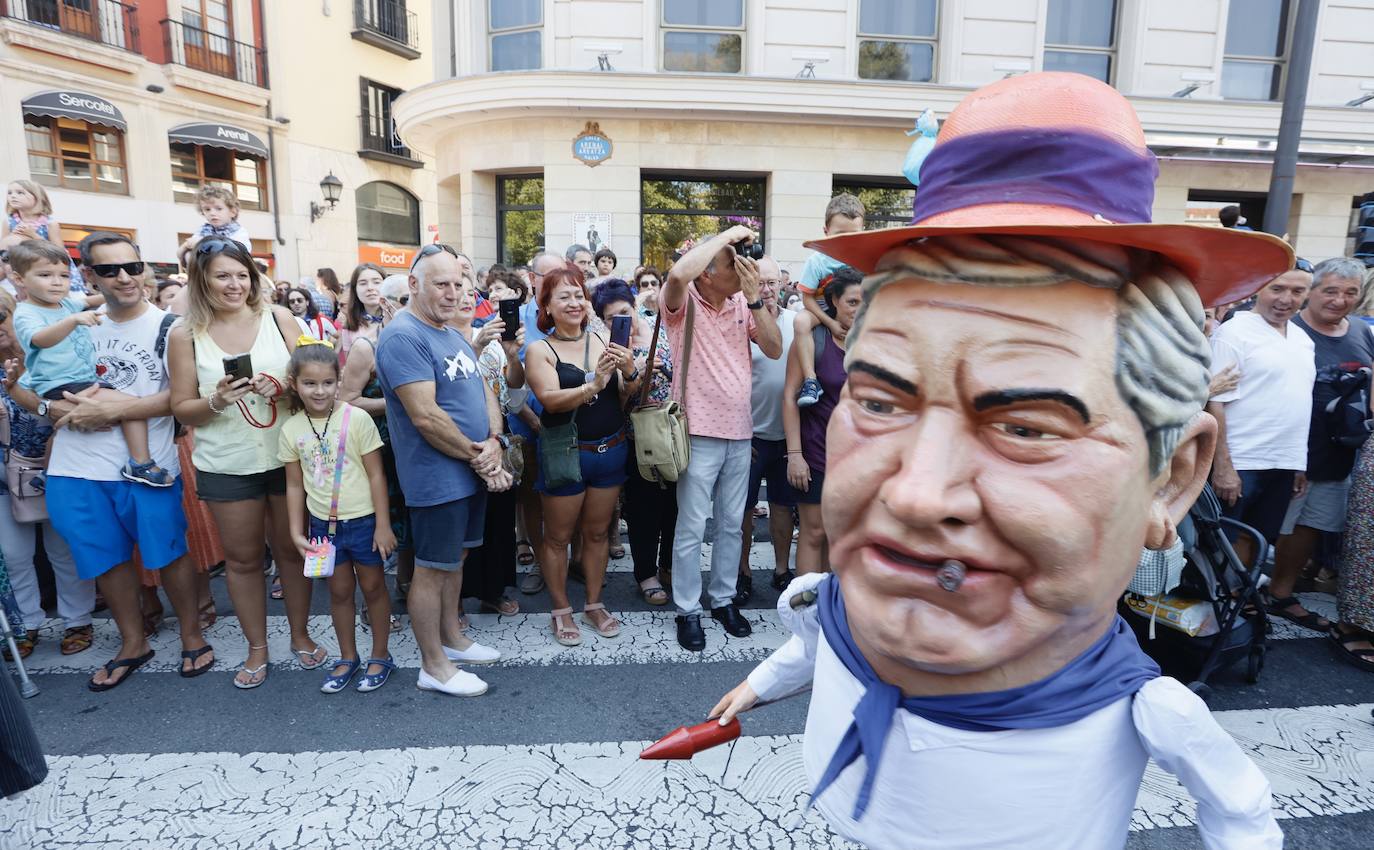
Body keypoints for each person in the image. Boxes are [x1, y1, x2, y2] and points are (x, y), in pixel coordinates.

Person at [709, 72, 1285, 850]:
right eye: (880, 404)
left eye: (1024, 428)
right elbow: (816, 646)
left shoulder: (1149, 710)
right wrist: (755, 686)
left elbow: (1241, 815)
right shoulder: (843, 601)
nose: (917, 495)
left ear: (1171, 478)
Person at [21, 231, 213, 689]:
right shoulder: (65, 319)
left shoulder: (171, 326)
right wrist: (51, 409)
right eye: (109, 270)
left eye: (132, 266)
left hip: (146, 466)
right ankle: (133, 643)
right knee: (103, 558)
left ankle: (191, 634)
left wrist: (113, 410)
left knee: (170, 552)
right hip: (76, 467)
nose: (124, 277)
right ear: (89, 275)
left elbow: (183, 397)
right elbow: (27, 387)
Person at [168, 237, 324, 689]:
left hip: (288, 457)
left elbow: (316, 377)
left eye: (242, 275)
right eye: (222, 275)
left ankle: (300, 635)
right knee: (242, 560)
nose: (234, 284)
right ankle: (258, 647)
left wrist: (285, 386)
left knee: (292, 552)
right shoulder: (183, 333)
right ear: (202, 280)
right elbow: (181, 408)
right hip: (227, 462)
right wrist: (216, 399)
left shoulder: (279, 318)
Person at [374, 244, 508, 696]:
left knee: (456, 559)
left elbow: (482, 389)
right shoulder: (402, 336)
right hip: (436, 475)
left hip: (468, 469)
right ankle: (433, 666)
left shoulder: (449, 332)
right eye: (441, 284)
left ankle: (452, 639)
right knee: (431, 568)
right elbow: (426, 416)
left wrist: (494, 441)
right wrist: (480, 457)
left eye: (458, 284)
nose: (453, 293)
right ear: (414, 284)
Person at [662, 225, 782, 651]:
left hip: (740, 431)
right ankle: (687, 610)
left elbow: (774, 348)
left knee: (732, 524)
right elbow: (678, 274)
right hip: (696, 431)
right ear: (708, 272)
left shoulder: (743, 303)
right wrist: (728, 234)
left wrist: (755, 299)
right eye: (734, 263)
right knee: (692, 525)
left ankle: (723, 599)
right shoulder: (683, 301)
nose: (745, 268)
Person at [526, 265, 640, 645]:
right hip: (565, 453)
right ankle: (561, 609)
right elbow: (549, 400)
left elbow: (626, 392)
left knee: (596, 533)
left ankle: (593, 603)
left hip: (610, 449)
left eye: (579, 295)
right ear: (547, 306)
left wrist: (630, 372)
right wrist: (593, 384)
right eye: (564, 296)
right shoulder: (540, 350)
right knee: (558, 538)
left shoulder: (604, 338)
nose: (574, 302)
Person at [280, 340, 397, 694]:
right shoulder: (291, 429)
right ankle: (348, 656)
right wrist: (296, 532)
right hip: (322, 527)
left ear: (339, 380)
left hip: (364, 522)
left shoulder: (356, 418)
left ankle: (380, 654)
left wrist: (383, 525)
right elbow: (294, 486)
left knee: (374, 587)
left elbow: (376, 475)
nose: (319, 391)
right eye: (310, 383)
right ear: (294, 383)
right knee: (339, 592)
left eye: (327, 382)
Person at [8, 240, 170, 487]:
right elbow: (39, 339)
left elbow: (93, 300)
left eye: (63, 276)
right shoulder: (26, 312)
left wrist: (130, 291)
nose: (57, 282)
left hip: (78, 379)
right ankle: (141, 463)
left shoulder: (65, 304)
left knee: (62, 429)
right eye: (45, 275)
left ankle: (46, 473)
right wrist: (72, 321)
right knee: (132, 408)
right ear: (19, 279)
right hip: (62, 382)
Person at [1268, 258, 1374, 632]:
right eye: (1330, 291)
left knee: (1311, 526)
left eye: (1350, 293)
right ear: (1311, 292)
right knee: (1271, 526)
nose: (1339, 300)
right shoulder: (1288, 330)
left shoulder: (1361, 331)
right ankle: (1239, 596)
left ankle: (1280, 593)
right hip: (1288, 450)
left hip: (1339, 454)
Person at [0, 289, 92, 659]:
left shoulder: (51, 357)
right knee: (14, 555)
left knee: (63, 548)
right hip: (4, 478)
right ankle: (25, 624)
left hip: (57, 466)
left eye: (2, 316)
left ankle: (77, 620)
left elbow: (66, 409)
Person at [1208, 268, 1316, 571]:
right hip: (1242, 461)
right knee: (1223, 545)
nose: (1286, 299)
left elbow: (1298, 402)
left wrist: (1297, 462)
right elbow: (1215, 402)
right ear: (1258, 288)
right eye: (1277, 289)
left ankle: (1239, 597)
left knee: (1258, 541)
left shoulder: (1303, 339)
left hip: (1283, 463)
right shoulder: (1234, 333)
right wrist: (1223, 466)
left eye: (1297, 291)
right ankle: (1220, 599)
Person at [594, 278, 675, 606]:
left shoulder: (665, 330)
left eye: (625, 313)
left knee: (676, 505)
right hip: (637, 436)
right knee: (644, 510)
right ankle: (646, 573)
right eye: (611, 318)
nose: (620, 322)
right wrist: (635, 371)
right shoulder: (607, 348)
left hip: (673, 431)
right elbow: (612, 401)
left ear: (635, 306)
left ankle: (669, 564)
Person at [450, 276, 525, 616]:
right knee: (460, 522)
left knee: (497, 519)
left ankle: (493, 590)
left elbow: (515, 393)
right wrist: (475, 348)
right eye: (457, 292)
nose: (465, 298)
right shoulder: (438, 341)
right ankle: (453, 601)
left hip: (497, 435)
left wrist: (513, 356)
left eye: (470, 293)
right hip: (456, 438)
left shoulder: (493, 338)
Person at [782, 266, 861, 576]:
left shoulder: (873, 342)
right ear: (834, 301)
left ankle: (828, 602)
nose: (860, 309)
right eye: (852, 302)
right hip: (816, 453)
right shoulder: (813, 339)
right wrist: (795, 455)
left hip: (857, 458)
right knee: (814, 532)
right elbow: (789, 397)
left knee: (840, 535)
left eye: (865, 302)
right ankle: (805, 605)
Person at [737, 255, 797, 604]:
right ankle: (743, 573)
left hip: (788, 435)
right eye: (760, 282)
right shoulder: (741, 323)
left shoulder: (797, 322)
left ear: (781, 284)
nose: (767, 289)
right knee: (742, 511)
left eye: (772, 282)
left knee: (782, 507)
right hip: (749, 437)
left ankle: (781, 570)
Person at [512, 250, 565, 594]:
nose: (558, 281)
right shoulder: (515, 319)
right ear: (532, 279)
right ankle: (540, 562)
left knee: (567, 493)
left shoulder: (574, 312)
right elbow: (506, 378)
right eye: (549, 275)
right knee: (532, 495)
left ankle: (569, 560)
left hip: (568, 423)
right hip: (525, 420)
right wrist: (532, 421)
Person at [792, 195, 865, 408]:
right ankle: (810, 380)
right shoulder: (817, 261)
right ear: (826, 231)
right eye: (840, 235)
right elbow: (807, 298)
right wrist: (830, 322)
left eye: (854, 235)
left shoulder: (865, 258)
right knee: (800, 322)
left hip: (853, 310)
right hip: (821, 310)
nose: (847, 242)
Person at [2, 180, 83, 293]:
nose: (13, 196)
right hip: (20, 269)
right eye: (10, 193)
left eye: (20, 193)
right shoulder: (8, 222)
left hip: (48, 268)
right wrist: (12, 237)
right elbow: (3, 252)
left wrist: (33, 235)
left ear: (37, 197)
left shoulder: (49, 223)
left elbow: (60, 252)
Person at [176, 186, 251, 265]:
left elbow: (237, 253)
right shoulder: (204, 230)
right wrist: (186, 245)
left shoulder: (238, 232)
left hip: (227, 267)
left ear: (233, 212)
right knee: (188, 254)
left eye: (219, 209)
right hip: (205, 267)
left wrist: (201, 244)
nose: (212, 213)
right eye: (207, 209)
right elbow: (179, 254)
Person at [338, 263, 392, 365]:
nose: (370, 288)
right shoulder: (350, 325)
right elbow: (350, 366)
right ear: (355, 289)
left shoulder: (397, 319)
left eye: (376, 282)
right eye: (363, 283)